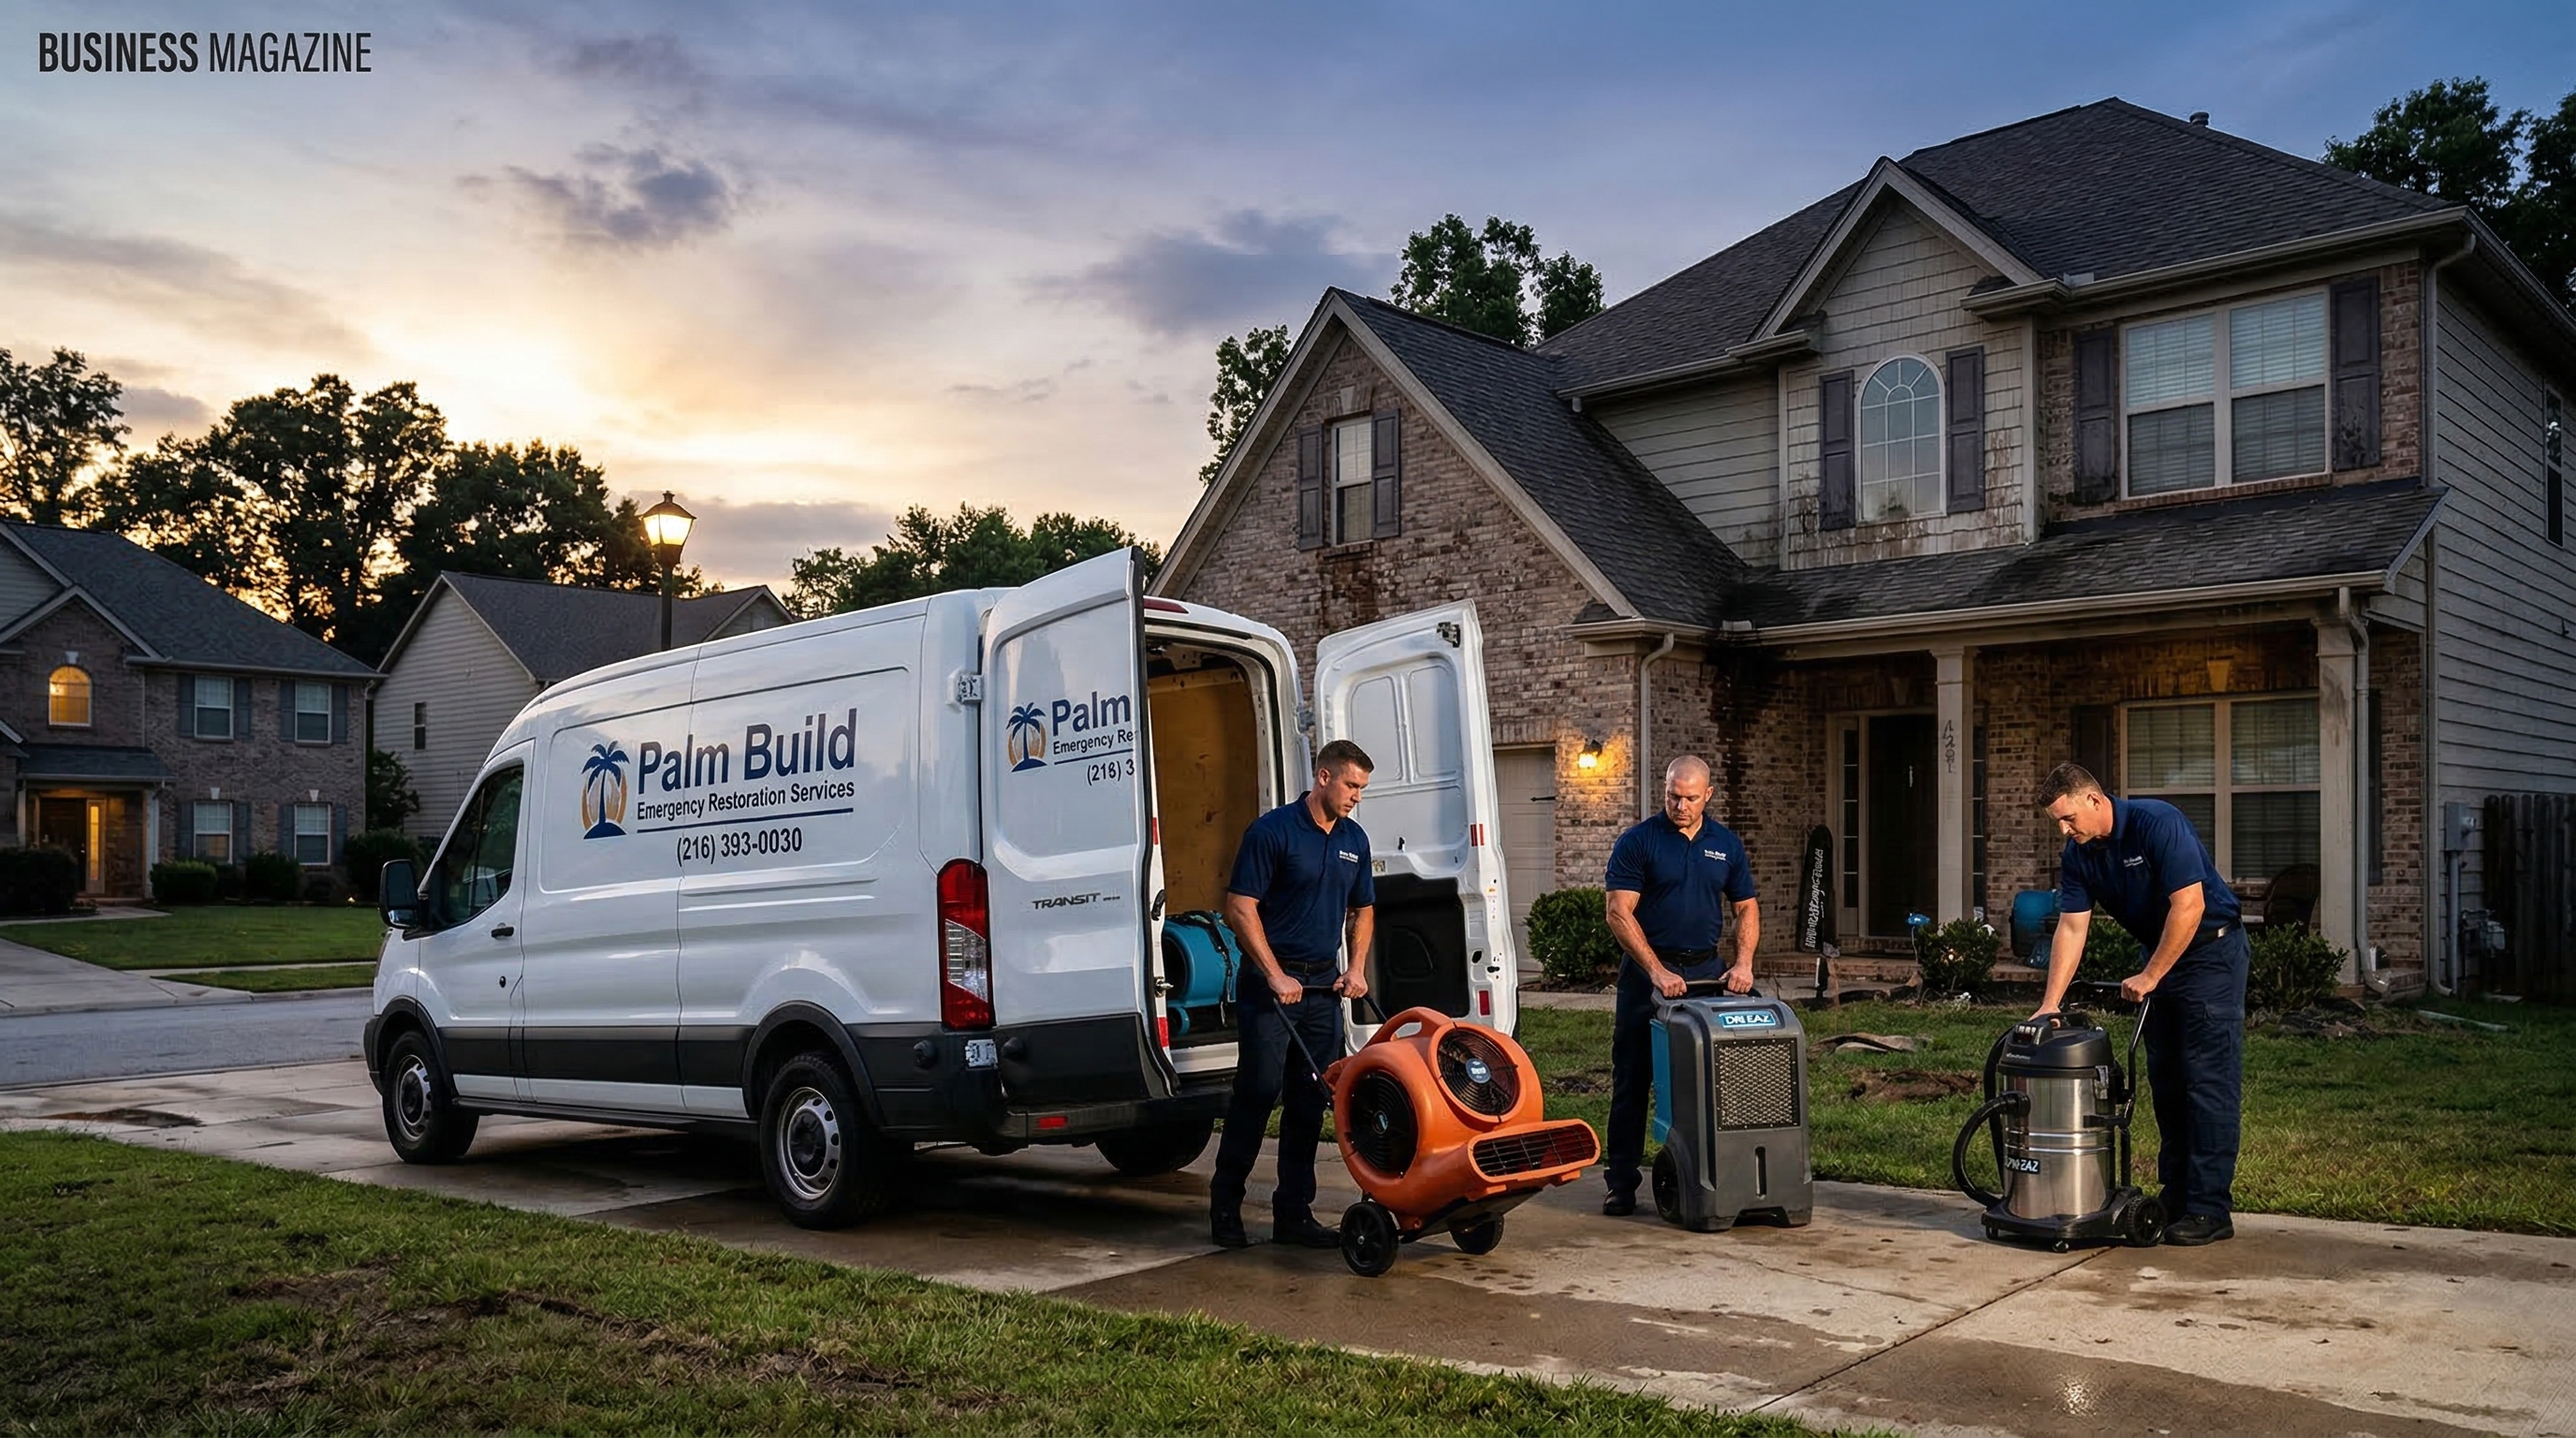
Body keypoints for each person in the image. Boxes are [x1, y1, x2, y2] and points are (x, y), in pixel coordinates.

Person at [2034, 762, 2247, 1246]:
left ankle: (2210, 1210)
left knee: (2206, 1082)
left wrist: (2151, 975)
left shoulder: (2157, 822)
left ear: (2093, 799)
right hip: (2159, 957)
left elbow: (2189, 905)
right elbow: (2072, 927)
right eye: (2057, 823)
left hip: (2210, 954)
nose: (2064, 830)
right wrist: (2050, 1004)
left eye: (2068, 818)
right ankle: (2177, 1196)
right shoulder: (2079, 854)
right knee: (2167, 1082)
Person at [1208, 740, 1376, 1250]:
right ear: (1323, 777)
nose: (1356, 797)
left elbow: (1363, 909)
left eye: (1362, 789)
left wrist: (1356, 968)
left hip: (1323, 988)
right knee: (1259, 1092)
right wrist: (1275, 974)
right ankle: (1225, 1205)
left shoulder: (1354, 839)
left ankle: (1294, 1214)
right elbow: (1240, 908)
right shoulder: (1272, 831)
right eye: (1351, 786)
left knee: (1311, 1097)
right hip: (1270, 988)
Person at [1600, 755, 1759, 1216]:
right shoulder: (1639, 841)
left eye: (1690, 798)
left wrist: (1743, 963)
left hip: (1707, 975)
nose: (1680, 805)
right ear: (1664, 790)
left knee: (1711, 1082)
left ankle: (1713, 1178)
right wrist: (1656, 970)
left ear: (1708, 795)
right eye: (1673, 795)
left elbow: (1746, 907)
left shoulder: (1725, 844)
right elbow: (1618, 912)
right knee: (1633, 1079)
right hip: (1647, 977)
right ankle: (1621, 1184)